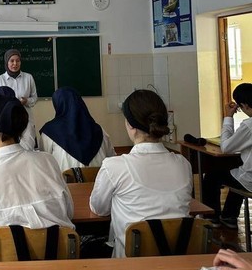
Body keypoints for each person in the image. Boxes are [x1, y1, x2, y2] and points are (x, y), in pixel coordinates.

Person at [0, 95, 74, 269]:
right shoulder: (48, 161)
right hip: (58, 262)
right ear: (22, 128)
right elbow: (68, 210)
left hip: (5, 264)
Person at [89, 89, 192, 258]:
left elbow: (98, 208)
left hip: (132, 264)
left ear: (130, 125)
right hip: (179, 261)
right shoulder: (183, 164)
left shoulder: (115, 166)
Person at [202, 82, 252, 228]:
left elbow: (226, 147)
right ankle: (229, 216)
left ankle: (211, 218)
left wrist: (228, 117)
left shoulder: (249, 125)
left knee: (213, 175)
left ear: (245, 105)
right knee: (236, 172)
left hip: (250, 180)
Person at [40, 87, 115, 171]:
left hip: (66, 181)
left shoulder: (49, 130)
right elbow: (111, 157)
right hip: (97, 181)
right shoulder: (98, 129)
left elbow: (44, 161)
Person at [0, 49, 37, 150]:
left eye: (18, 61)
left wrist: (26, 101)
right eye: (11, 61)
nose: (15, 64)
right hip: (7, 122)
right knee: (11, 150)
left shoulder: (28, 78)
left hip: (26, 120)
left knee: (28, 150)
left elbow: (34, 98)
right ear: (7, 62)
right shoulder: (0, 80)